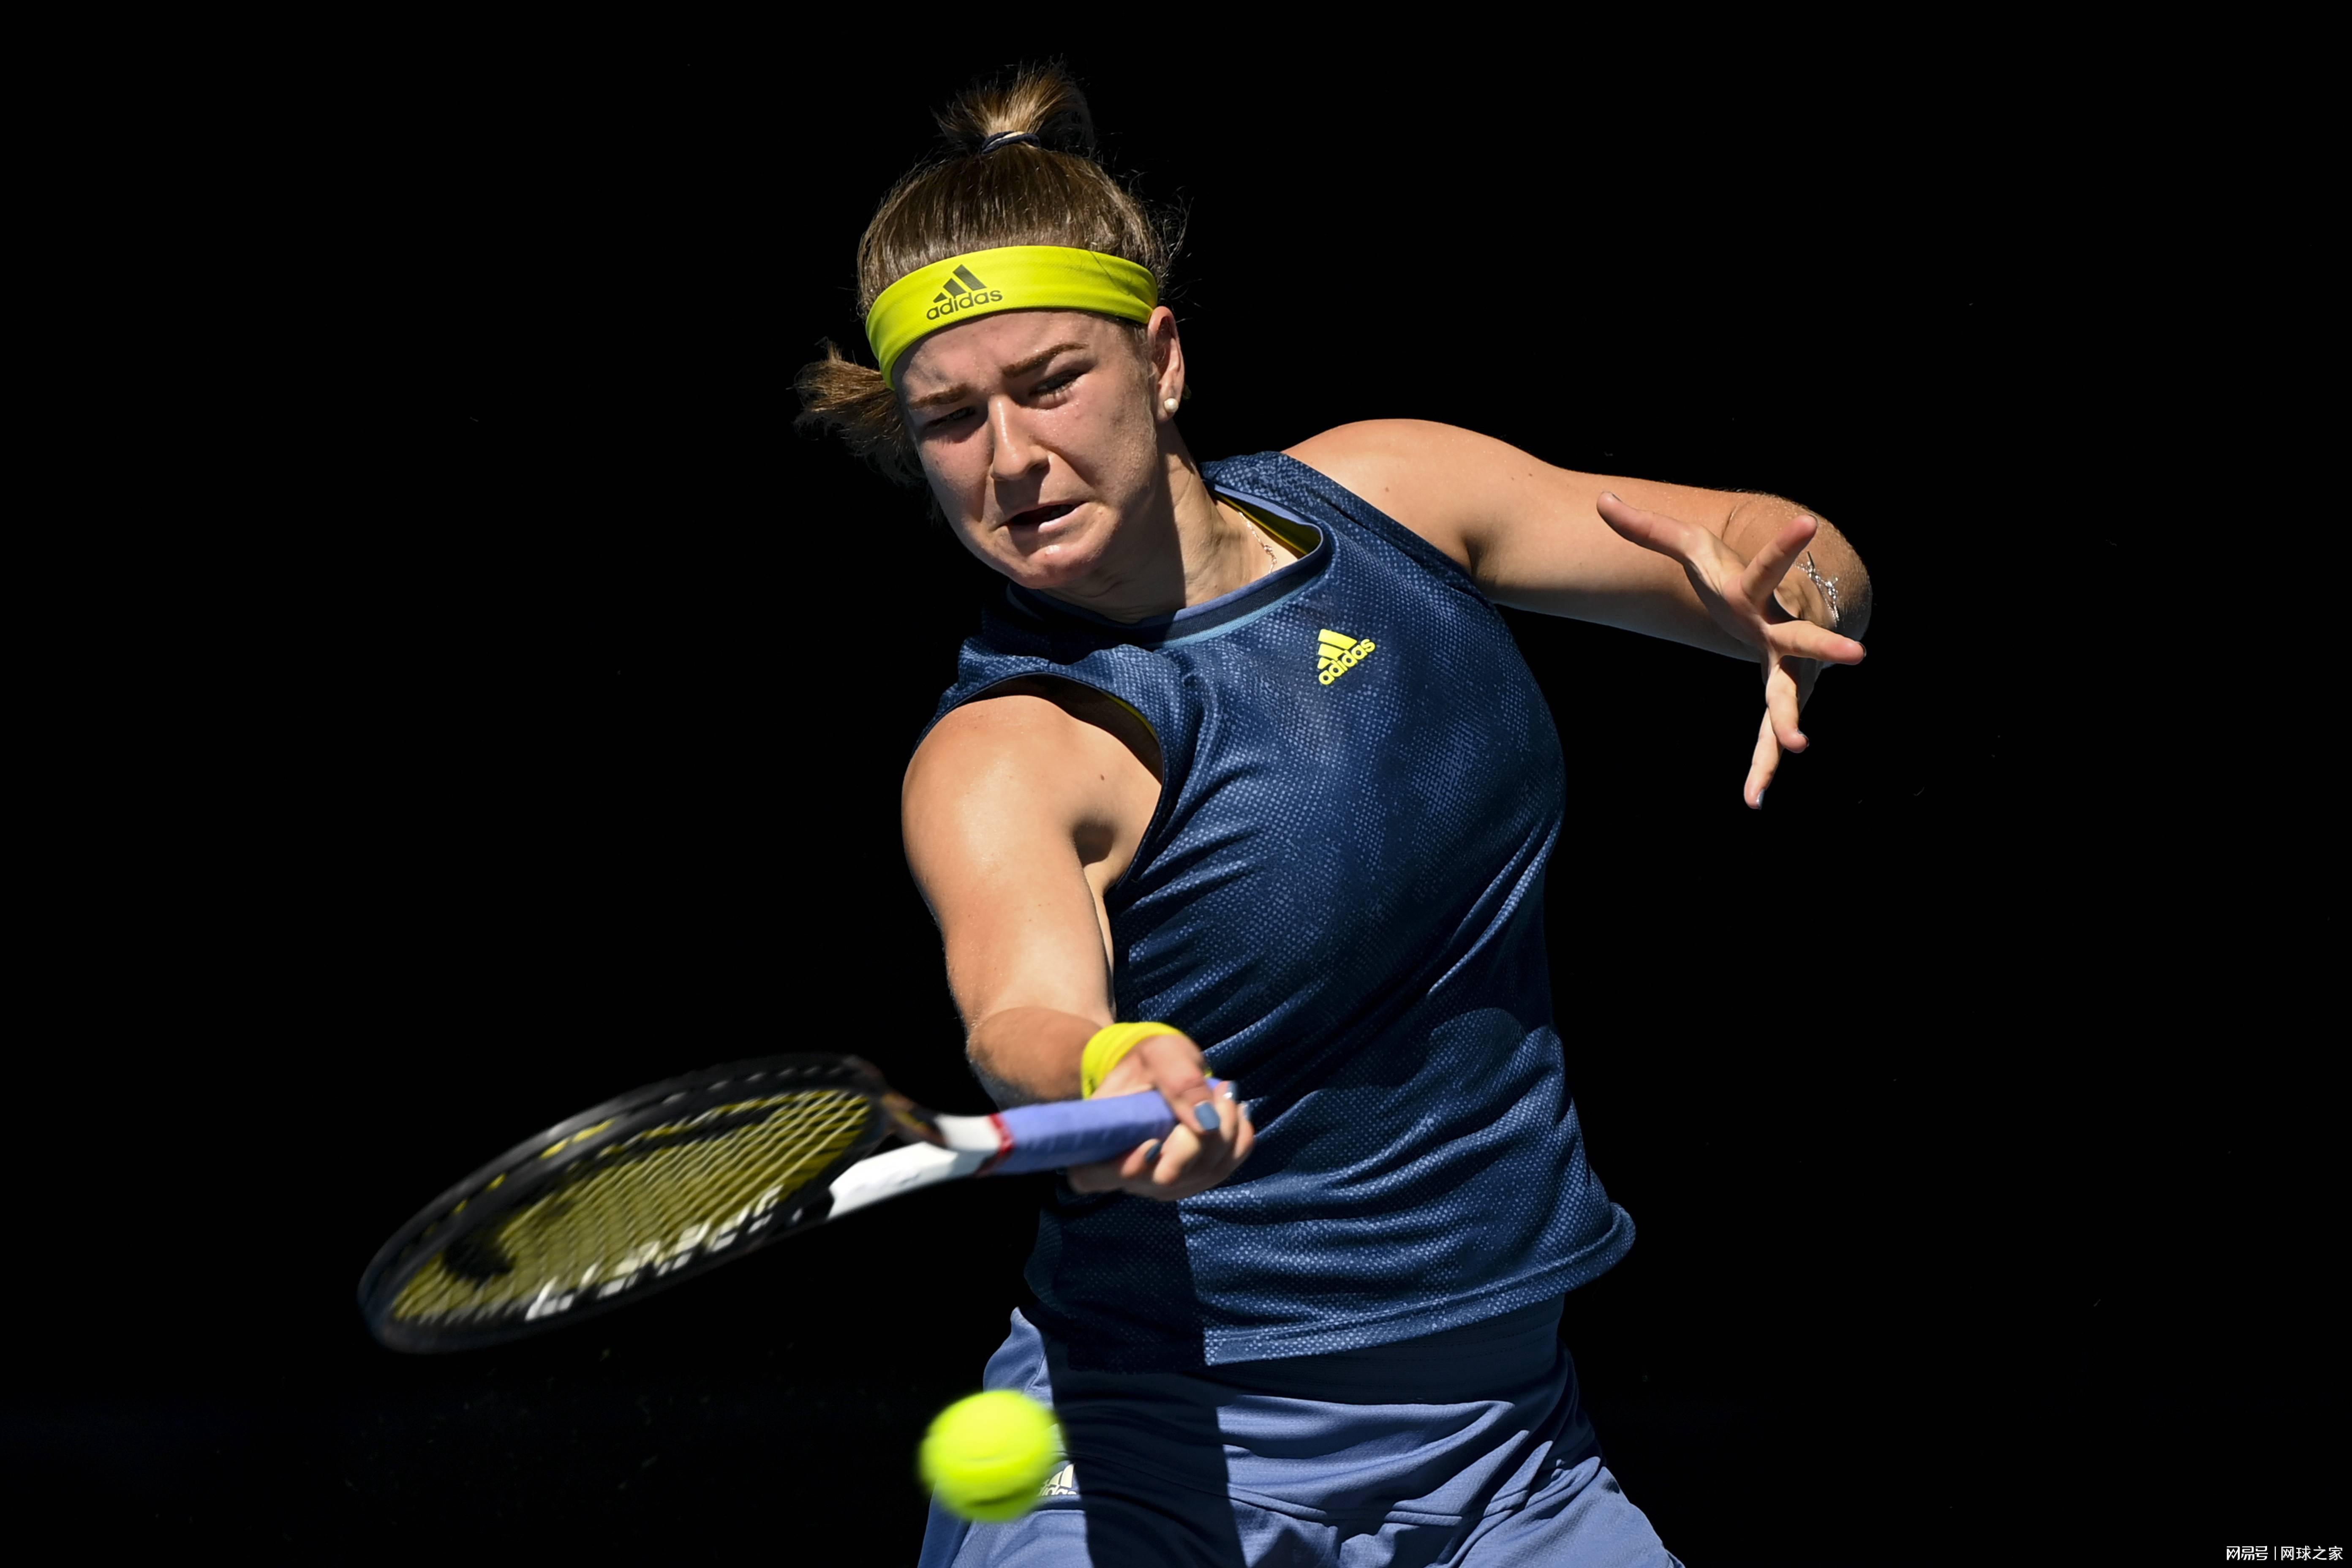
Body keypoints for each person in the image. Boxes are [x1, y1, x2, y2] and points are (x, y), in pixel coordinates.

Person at [798, 65, 1869, 1568]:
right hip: (1152, 1469)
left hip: (1514, 1458)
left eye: (1050, 383)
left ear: (1162, 358)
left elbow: (1791, 558)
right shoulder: (1008, 749)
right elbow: (1020, 1013)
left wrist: (1789, 587)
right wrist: (1106, 1067)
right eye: (950, 419)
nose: (1012, 458)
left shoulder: (1394, 496)